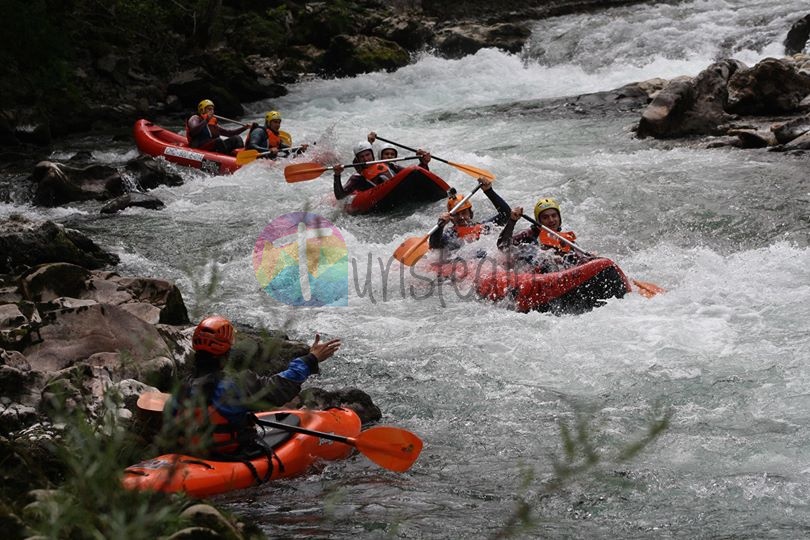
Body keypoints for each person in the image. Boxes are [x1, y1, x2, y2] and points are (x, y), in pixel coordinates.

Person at [171, 315, 341, 457]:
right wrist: (311, 359)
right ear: (227, 353)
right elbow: (280, 387)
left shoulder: (183, 386)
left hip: (191, 453)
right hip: (229, 455)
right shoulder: (237, 385)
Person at [497, 198, 587, 273]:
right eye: (545, 217)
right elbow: (502, 245)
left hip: (555, 274)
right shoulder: (527, 235)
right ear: (538, 221)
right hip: (529, 273)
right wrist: (512, 221)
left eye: (554, 215)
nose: (551, 220)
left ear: (559, 218)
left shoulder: (565, 239)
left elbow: (581, 257)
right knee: (545, 261)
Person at [428, 177, 511, 252]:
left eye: (464, 212)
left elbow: (506, 214)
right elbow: (434, 245)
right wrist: (440, 226)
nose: (461, 217)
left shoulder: (484, 227)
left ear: (471, 214)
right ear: (451, 218)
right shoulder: (451, 234)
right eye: (456, 214)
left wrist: (489, 191)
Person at [333, 139, 431, 200]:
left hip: (399, 193)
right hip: (381, 201)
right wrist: (337, 175)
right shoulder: (358, 178)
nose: (366, 159)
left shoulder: (389, 165)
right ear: (358, 159)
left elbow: (413, 175)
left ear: (372, 155)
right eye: (362, 157)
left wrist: (423, 162)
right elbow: (340, 196)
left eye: (367, 155)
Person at [186, 99, 252, 154]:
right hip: (199, 146)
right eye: (209, 109)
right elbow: (193, 132)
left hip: (213, 146)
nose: (212, 111)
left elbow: (229, 133)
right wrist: (206, 120)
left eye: (212, 109)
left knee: (236, 138)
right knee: (218, 141)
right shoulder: (195, 118)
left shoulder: (212, 122)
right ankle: (226, 159)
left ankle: (240, 155)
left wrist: (244, 128)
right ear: (202, 110)